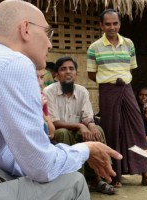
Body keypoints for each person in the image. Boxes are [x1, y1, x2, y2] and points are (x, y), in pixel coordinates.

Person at [0, 1, 122, 199]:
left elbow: (7, 156)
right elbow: (42, 166)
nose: (50, 43)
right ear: (25, 29)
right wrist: (85, 150)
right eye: (47, 32)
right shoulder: (13, 63)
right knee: (74, 183)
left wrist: (63, 159)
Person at [86, 9, 147, 188]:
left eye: (115, 23)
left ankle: (145, 173)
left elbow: (130, 69)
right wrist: (109, 82)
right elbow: (92, 74)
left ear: (119, 24)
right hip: (108, 91)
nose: (111, 27)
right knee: (112, 131)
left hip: (126, 88)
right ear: (101, 25)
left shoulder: (129, 44)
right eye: (107, 24)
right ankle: (114, 176)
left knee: (138, 129)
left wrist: (122, 82)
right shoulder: (94, 48)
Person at [43, 56, 115, 195]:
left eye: (71, 69)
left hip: (76, 130)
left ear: (76, 74)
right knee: (63, 132)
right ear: (56, 75)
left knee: (97, 129)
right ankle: (75, 179)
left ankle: (98, 177)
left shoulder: (82, 91)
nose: (68, 72)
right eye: (63, 69)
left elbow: (87, 116)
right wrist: (80, 126)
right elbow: (54, 122)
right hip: (56, 133)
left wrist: (91, 125)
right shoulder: (49, 91)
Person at [37, 68, 55, 139]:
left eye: (41, 77)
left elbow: (51, 132)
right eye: (34, 77)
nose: (40, 83)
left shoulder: (41, 96)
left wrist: (40, 109)